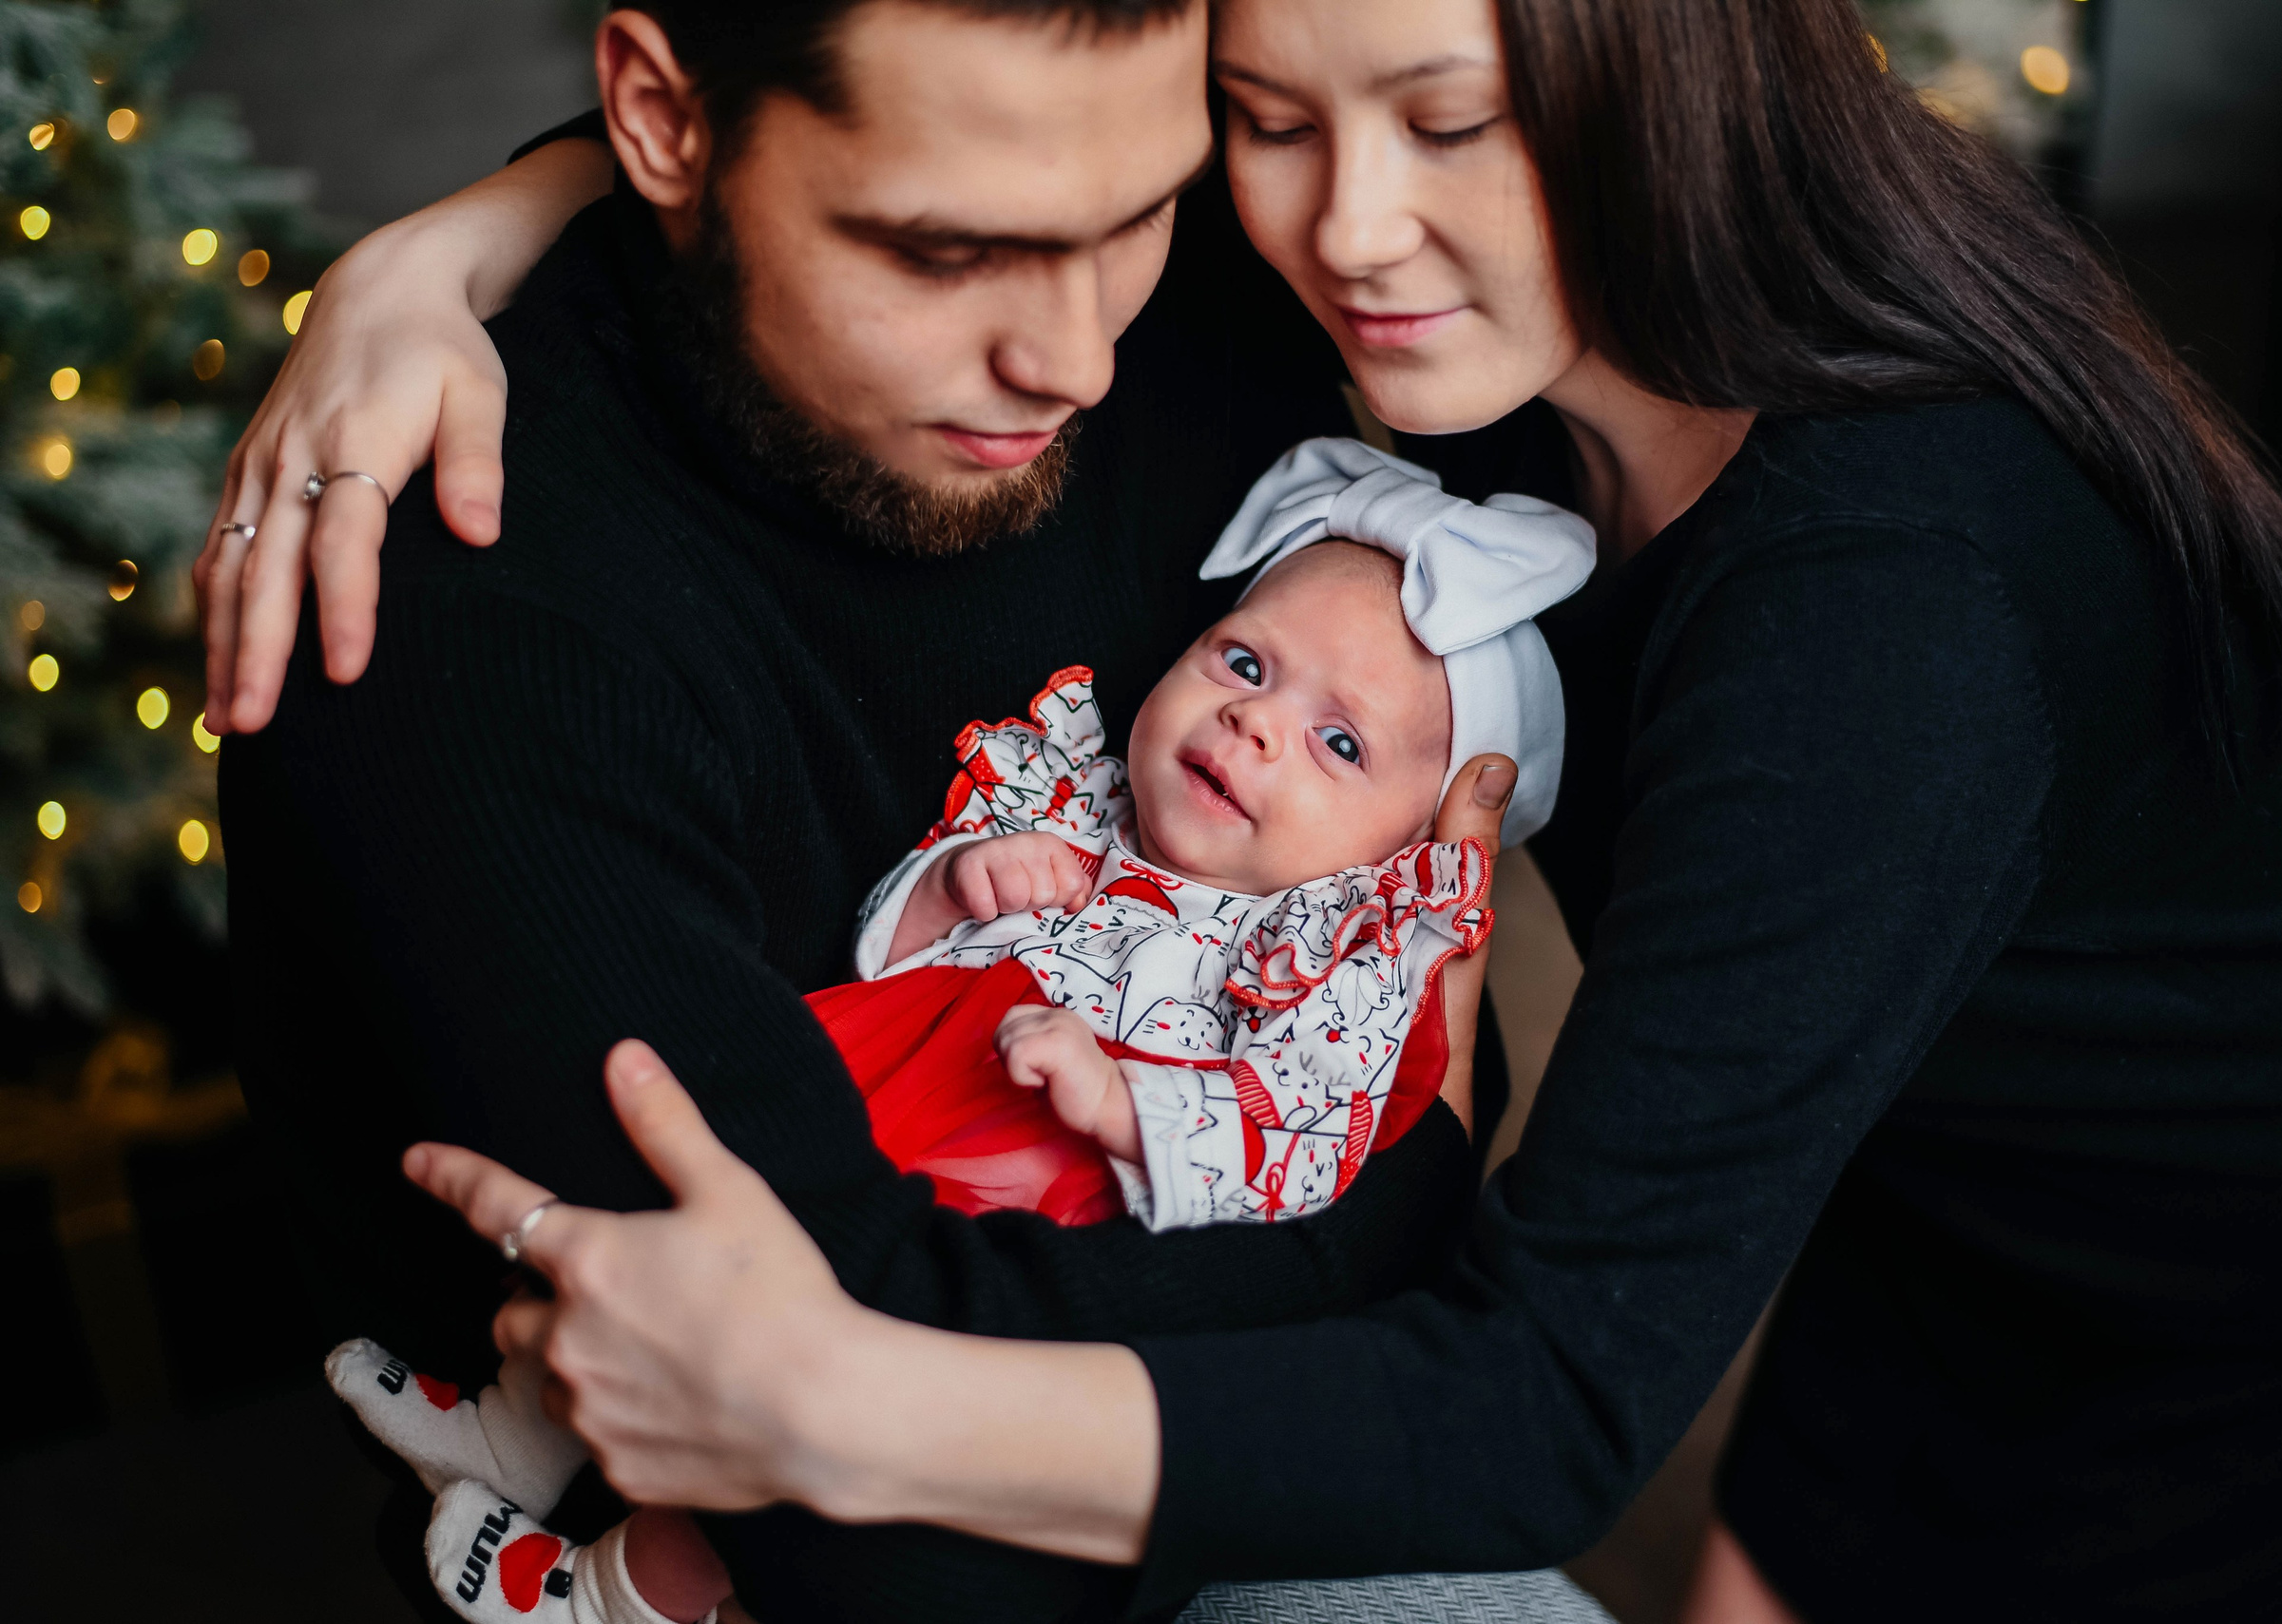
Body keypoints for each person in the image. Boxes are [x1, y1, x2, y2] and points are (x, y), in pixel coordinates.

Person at [217, 1, 2282, 1622]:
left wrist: (836, 1407)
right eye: (1260, 122)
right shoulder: (1433, 363)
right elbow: (931, 83)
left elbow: (1540, 1399)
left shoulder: (1883, 616)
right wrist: (459, 242)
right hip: (1894, 1190)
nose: (1348, 227)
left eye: (1446, 121)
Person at [213, 5, 1553, 1623]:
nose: (1075, 359)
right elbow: (893, 1543)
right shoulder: (467, 624)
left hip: (1219, 1448)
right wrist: (1406, 1164)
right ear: (658, 118)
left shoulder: (1203, 301)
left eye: (1138, 212)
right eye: (943, 251)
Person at [323, 475, 1593, 1624]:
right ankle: (513, 1431)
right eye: (1244, 663)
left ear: (1408, 858)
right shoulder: (1078, 801)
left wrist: (1127, 1099)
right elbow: (890, 951)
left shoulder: (1328, 968)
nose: (1255, 726)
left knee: (794, 1409)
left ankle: (605, 1597)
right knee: (676, 1220)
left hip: (1034, 1209)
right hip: (875, 1090)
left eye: (1340, 742)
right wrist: (963, 885)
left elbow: (1298, 1142)